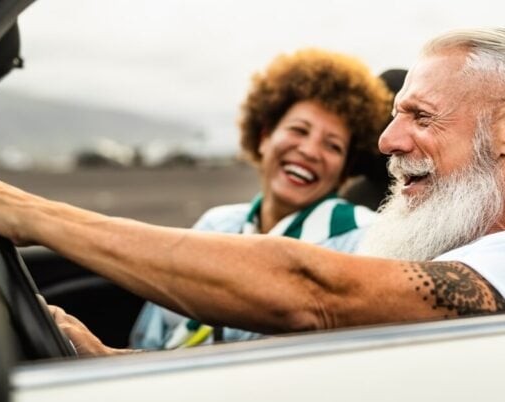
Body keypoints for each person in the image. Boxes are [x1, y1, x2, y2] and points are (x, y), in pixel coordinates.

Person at [0, 28, 505, 357]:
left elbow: (310, 294)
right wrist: (111, 362)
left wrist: (30, 213)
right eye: (392, 116)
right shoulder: (430, 252)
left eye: (419, 116)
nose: (386, 141)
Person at [130, 48, 392, 350]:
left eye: (332, 146)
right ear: (265, 135)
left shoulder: (363, 240)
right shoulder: (215, 224)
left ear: (344, 170)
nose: (309, 151)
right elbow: (146, 342)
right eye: (298, 130)